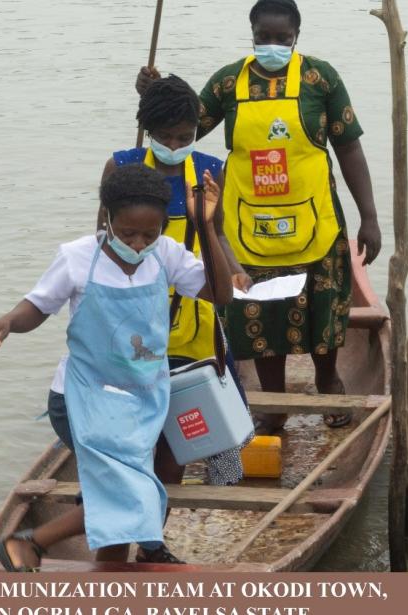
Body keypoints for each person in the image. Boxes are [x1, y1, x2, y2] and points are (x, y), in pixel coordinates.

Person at [136, 0, 381, 431]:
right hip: (250, 224)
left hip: (314, 218)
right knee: (260, 317)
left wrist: (370, 216)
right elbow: (183, 124)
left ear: (296, 37)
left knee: (323, 305)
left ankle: (328, 380)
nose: (273, 46)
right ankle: (274, 402)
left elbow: (349, 147)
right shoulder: (230, 82)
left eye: (282, 39)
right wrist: (151, 96)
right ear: (252, 35)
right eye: (264, 38)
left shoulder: (320, 79)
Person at [0, 164, 232, 571]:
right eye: (128, 233)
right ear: (107, 217)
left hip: (144, 398)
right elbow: (38, 306)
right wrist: (6, 321)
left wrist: (206, 225)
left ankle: (124, 562)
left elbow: (220, 294)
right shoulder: (77, 257)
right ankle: (29, 543)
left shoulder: (165, 255)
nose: (138, 242)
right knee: (129, 498)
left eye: (150, 233)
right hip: (84, 399)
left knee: (133, 496)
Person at [98, 74, 250, 490]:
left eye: (185, 137)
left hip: (194, 317)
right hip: (133, 321)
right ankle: (135, 501)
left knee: (192, 429)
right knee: (134, 432)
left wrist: (235, 269)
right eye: (165, 137)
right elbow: (101, 242)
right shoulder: (122, 167)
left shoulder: (208, 171)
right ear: (148, 132)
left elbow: (216, 233)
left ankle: (172, 507)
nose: (175, 146)